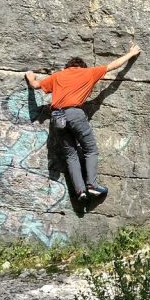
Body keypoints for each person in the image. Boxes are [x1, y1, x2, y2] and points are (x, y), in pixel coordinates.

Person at [25, 45, 141, 201]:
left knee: (70, 155)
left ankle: (80, 191)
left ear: (68, 67)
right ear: (82, 67)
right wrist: (131, 54)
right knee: (90, 150)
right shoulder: (88, 73)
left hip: (57, 117)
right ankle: (92, 186)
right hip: (75, 114)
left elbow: (35, 85)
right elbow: (113, 66)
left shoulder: (58, 75)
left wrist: (30, 76)